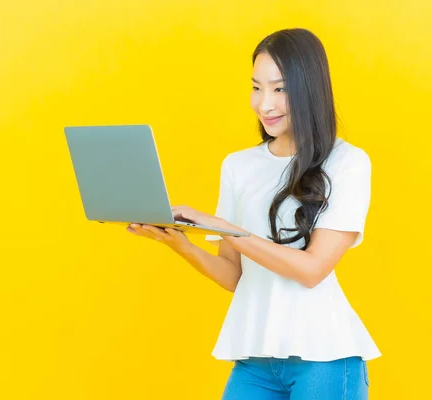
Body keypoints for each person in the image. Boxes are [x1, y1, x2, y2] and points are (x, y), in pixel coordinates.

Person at [127, 28, 381, 399]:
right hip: (256, 358)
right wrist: (181, 245)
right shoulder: (238, 166)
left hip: (324, 357)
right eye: (256, 87)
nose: (265, 104)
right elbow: (234, 276)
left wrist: (224, 228)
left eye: (280, 89)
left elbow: (312, 270)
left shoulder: (347, 162)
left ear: (310, 89)